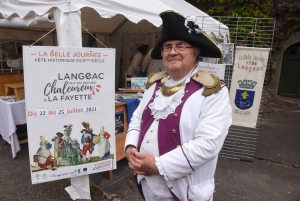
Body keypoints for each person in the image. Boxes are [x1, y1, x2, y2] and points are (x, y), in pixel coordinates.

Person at [124, 11, 232, 201]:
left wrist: (159, 165)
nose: (173, 51)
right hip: (148, 185)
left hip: (185, 192)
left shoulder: (213, 90)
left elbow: (208, 144)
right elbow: (137, 119)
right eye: (167, 47)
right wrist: (130, 146)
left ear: (196, 52)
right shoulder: (155, 85)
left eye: (181, 46)